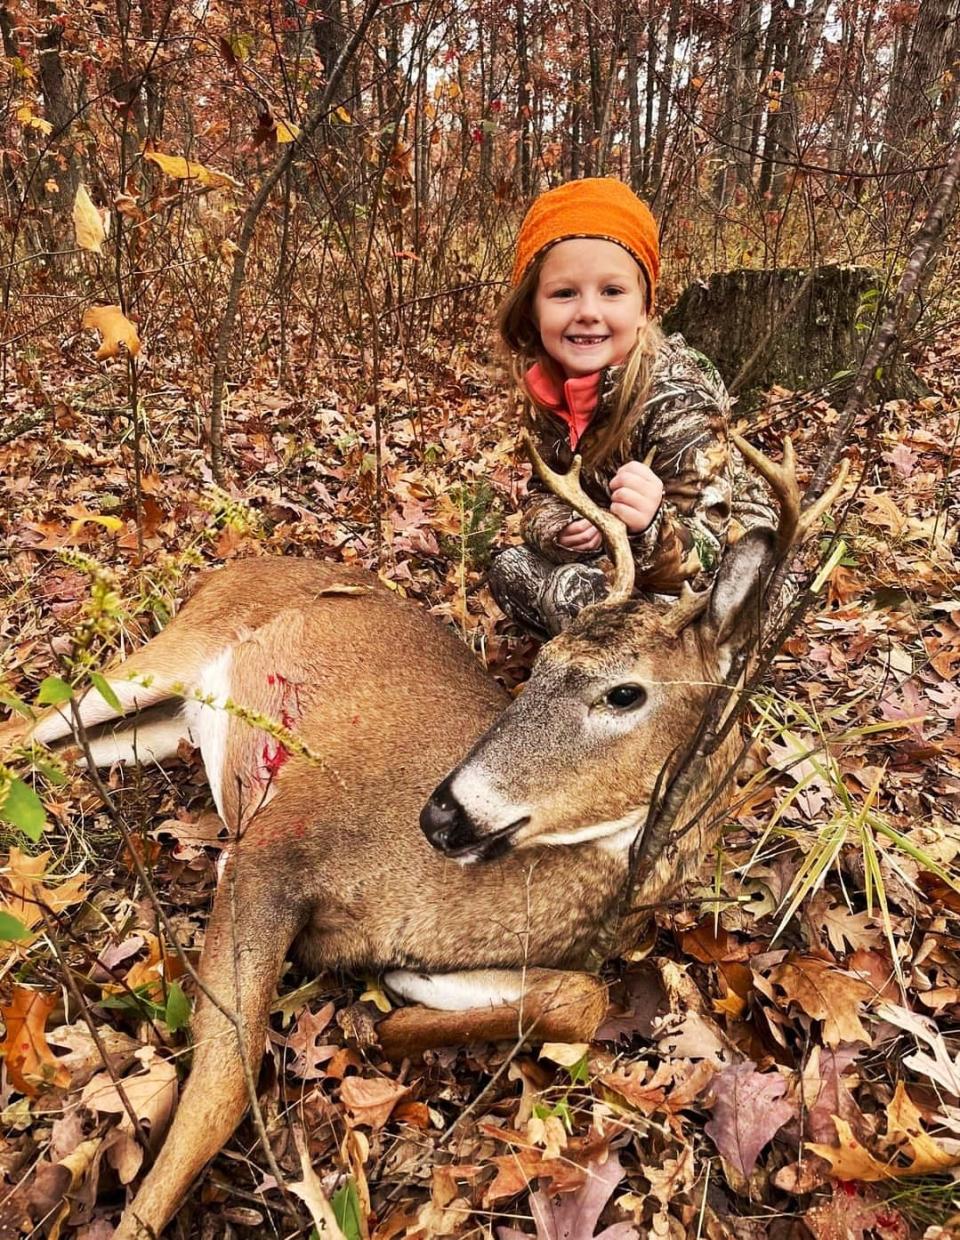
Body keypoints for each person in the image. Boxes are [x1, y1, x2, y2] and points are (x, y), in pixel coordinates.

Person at [488, 178, 774, 638]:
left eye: (612, 292)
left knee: (576, 599)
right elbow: (542, 495)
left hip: (711, 588)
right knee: (511, 568)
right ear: (532, 311)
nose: (588, 312)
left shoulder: (676, 402)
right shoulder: (549, 391)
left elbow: (709, 554)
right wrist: (560, 526)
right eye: (564, 294)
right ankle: (600, 649)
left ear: (645, 309)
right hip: (619, 568)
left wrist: (649, 525)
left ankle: (626, 668)